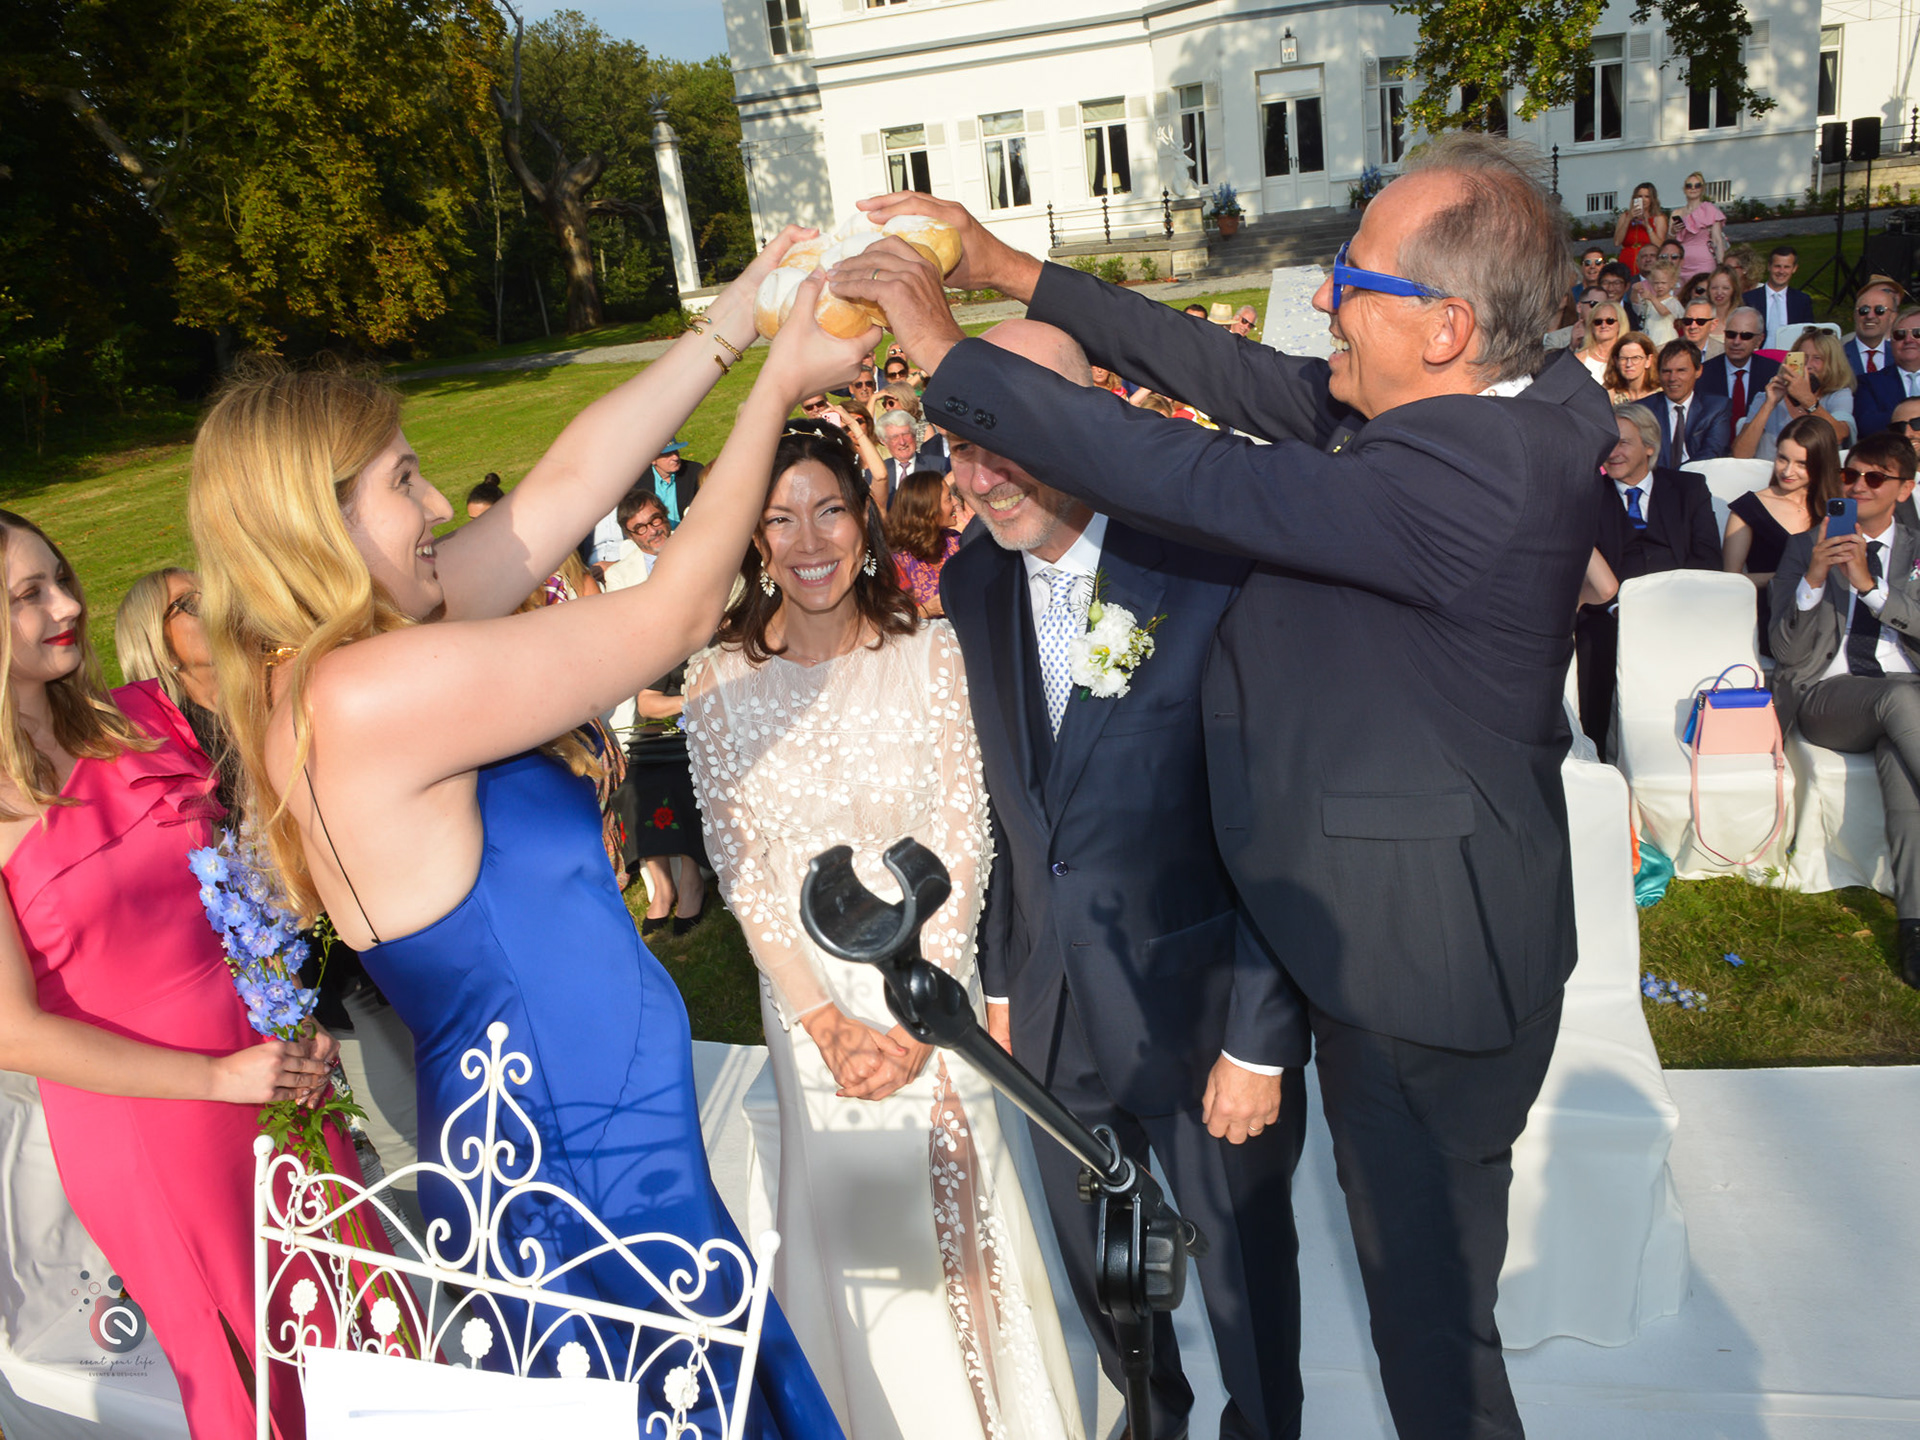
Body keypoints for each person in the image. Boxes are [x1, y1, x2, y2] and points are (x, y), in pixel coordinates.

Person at [840, 130, 1617, 1439]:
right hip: (1439, 939)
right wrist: (1006, 267)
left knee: (1431, 1341)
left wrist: (944, 344)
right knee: (1430, 1317)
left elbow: (1181, 469)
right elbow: (1234, 379)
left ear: (1446, 327)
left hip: (1420, 980)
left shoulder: (1467, 479)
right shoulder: (1486, 414)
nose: (1324, 299)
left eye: (1354, 280)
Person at [188, 234, 856, 1438]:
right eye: (404, 482)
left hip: (582, 1130)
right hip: (576, 1151)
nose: (440, 501)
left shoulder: (341, 669)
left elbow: (558, 494)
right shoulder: (369, 696)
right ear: (317, 523)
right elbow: (679, 609)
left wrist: (728, 324)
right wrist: (777, 385)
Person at [924, 315, 1308, 1440]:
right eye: (961, 445)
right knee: (1105, 1271)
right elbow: (1011, 810)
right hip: (1048, 1019)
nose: (983, 476)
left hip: (1201, 1019)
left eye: (1009, 440)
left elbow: (1279, 827)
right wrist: (1002, 978)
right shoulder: (971, 590)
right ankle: (1153, 1417)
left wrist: (1259, 1036)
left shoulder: (1210, 575)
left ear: (1093, 417)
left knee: (1241, 1277)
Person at [681, 427, 1082, 1440]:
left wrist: (921, 1012)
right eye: (779, 519)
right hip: (813, 1008)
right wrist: (823, 1023)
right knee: (860, 1254)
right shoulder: (717, 680)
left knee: (961, 1230)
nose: (807, 540)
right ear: (753, 541)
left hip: (927, 993)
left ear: (864, 520)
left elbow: (964, 834)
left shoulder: (930, 649)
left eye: (827, 509)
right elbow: (741, 868)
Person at [0, 511, 344, 1440]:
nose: (67, 605)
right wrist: (215, 1078)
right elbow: (11, 1031)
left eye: (59, 577)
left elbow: (232, 884)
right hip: (153, 1122)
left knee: (353, 1320)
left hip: (281, 1068)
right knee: (247, 1372)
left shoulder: (144, 719)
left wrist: (291, 1010)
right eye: (27, 596)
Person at [1769, 432, 1920, 990]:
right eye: (1852, 475)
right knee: (1899, 699)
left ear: (1903, 490)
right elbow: (1784, 651)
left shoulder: (1917, 548)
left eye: (1874, 478)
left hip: (1905, 700)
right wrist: (1813, 579)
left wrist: (1871, 589)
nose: (1857, 486)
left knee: (1902, 765)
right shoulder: (1805, 543)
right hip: (1832, 695)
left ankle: (1913, 928)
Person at [1576, 403, 1723, 751]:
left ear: (1649, 446)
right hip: (1610, 615)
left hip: (1681, 610)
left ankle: (1690, 745)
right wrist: (1617, 609)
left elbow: (1708, 560)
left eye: (1623, 443)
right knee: (1593, 640)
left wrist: (1675, 607)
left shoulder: (1688, 489)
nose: (1613, 453)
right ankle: (1599, 751)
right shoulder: (1586, 495)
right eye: (1607, 443)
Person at [1724, 414, 1840, 657]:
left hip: (1832, 615)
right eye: (1782, 459)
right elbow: (1730, 580)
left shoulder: (1837, 508)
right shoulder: (1748, 508)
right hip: (1776, 617)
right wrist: (1791, 576)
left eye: (1801, 464)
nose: (1788, 471)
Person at [1732, 328, 1856, 459]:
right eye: (1803, 357)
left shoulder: (1838, 395)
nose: (1808, 365)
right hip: (1768, 474)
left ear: (1832, 364)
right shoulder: (1765, 397)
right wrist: (1769, 405)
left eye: (1817, 358)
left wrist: (1807, 400)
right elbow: (1740, 455)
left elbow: (1839, 435)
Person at [1637, 338, 1731, 466]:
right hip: (1657, 481)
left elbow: (1712, 452)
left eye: (1681, 370)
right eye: (1666, 371)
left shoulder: (1716, 408)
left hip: (1698, 479)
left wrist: (1681, 478)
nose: (1672, 378)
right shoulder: (1642, 410)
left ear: (1698, 371)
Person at [887, 468, 963, 616]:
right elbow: (892, 621)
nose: (956, 502)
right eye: (949, 498)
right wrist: (926, 610)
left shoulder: (955, 541)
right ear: (929, 509)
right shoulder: (897, 560)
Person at [1697, 306, 1780, 430]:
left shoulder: (1774, 373)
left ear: (1759, 340)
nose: (1736, 341)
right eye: (1731, 334)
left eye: (1745, 336)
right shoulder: (1703, 374)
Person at [1854, 305, 1920, 439]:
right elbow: (1868, 427)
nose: (1908, 340)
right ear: (1892, 343)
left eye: (1917, 333)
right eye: (1899, 335)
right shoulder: (1869, 383)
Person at [1745, 244, 1814, 344]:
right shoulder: (1749, 299)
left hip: (1791, 356)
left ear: (1794, 269)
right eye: (1777, 266)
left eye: (1786, 267)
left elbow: (1808, 335)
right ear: (1769, 266)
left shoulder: (1802, 300)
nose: (1781, 271)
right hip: (1758, 354)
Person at [1846, 276, 1905, 378]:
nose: (1870, 316)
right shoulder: (1836, 355)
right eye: (1863, 310)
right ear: (1855, 314)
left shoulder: (1902, 355)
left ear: (1892, 317)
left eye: (1879, 310)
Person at [1671, 171, 1726, 277]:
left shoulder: (1709, 210)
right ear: (1684, 189)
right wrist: (1673, 231)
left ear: (1702, 189)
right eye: (1689, 186)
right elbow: (1670, 242)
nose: (1693, 188)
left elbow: (1717, 240)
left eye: (1697, 185)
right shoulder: (1676, 213)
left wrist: (1720, 264)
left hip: (1704, 263)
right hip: (1681, 264)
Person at [649, 438, 704, 528]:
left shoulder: (694, 471)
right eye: (668, 454)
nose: (675, 457)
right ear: (653, 459)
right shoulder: (637, 478)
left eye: (676, 451)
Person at [1603, 331, 1660, 404]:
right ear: (1616, 361)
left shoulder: (1660, 395)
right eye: (1623, 358)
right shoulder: (1610, 395)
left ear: (1648, 360)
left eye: (1636, 358)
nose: (1629, 364)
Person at [1576, 300, 1623, 380]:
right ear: (1592, 326)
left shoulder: (1629, 358)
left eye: (1610, 321)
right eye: (1598, 322)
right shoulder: (1579, 359)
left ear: (1620, 324)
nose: (1603, 325)